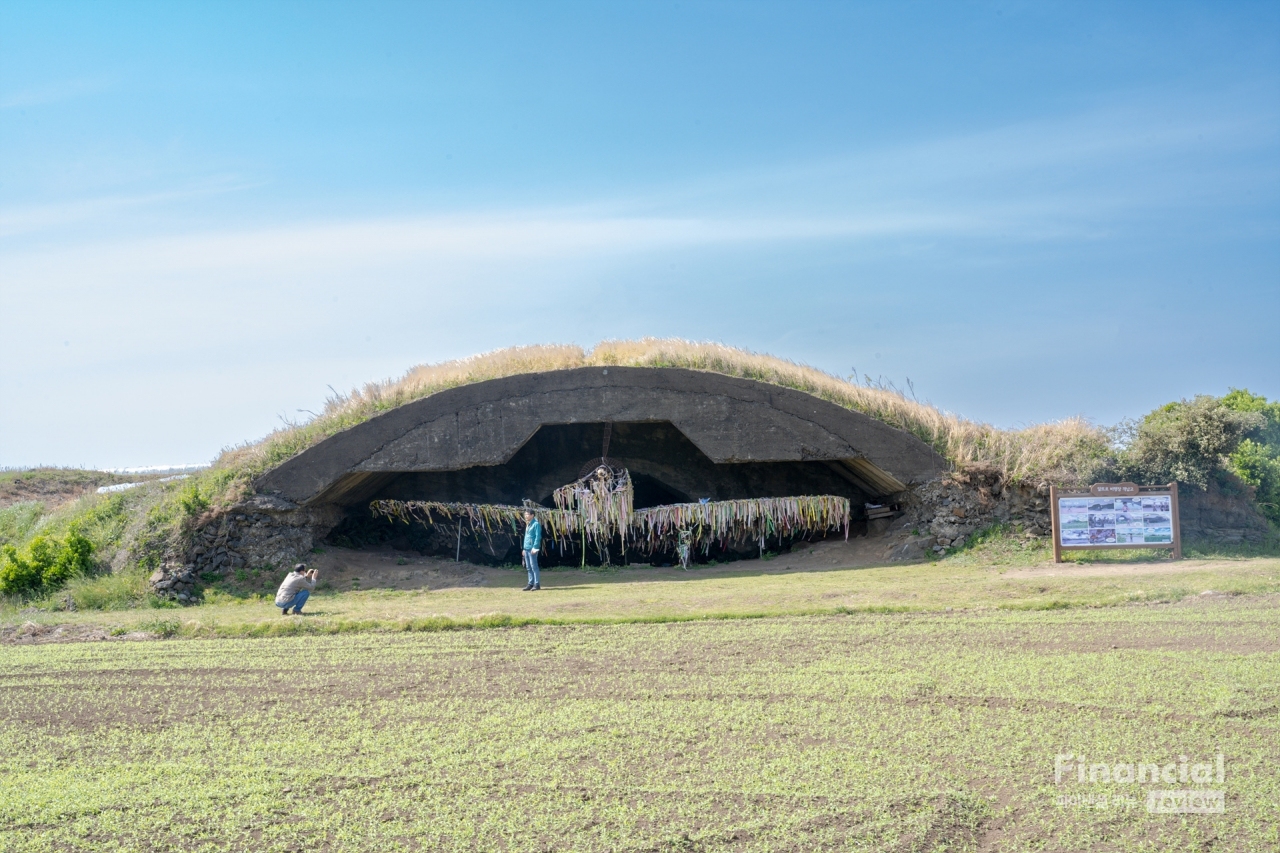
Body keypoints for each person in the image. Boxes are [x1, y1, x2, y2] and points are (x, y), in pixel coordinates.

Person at [522, 510, 542, 591]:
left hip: (532, 548)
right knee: (528, 567)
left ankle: (536, 584)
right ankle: (530, 583)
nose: (526, 516)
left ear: (532, 515)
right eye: (525, 514)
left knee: (534, 566)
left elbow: (538, 537)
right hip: (527, 548)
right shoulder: (528, 524)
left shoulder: (536, 524)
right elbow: (526, 537)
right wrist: (524, 548)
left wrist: (535, 547)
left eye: (527, 514)